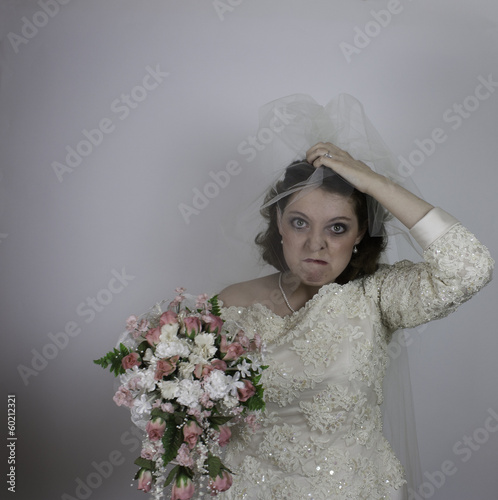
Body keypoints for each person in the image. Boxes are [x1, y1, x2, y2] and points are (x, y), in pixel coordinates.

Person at [217, 141, 494, 500]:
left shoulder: (378, 296)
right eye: (300, 223)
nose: (316, 244)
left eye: (337, 228)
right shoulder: (230, 303)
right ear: (279, 224)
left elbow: (469, 268)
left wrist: (375, 184)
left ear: (360, 233)